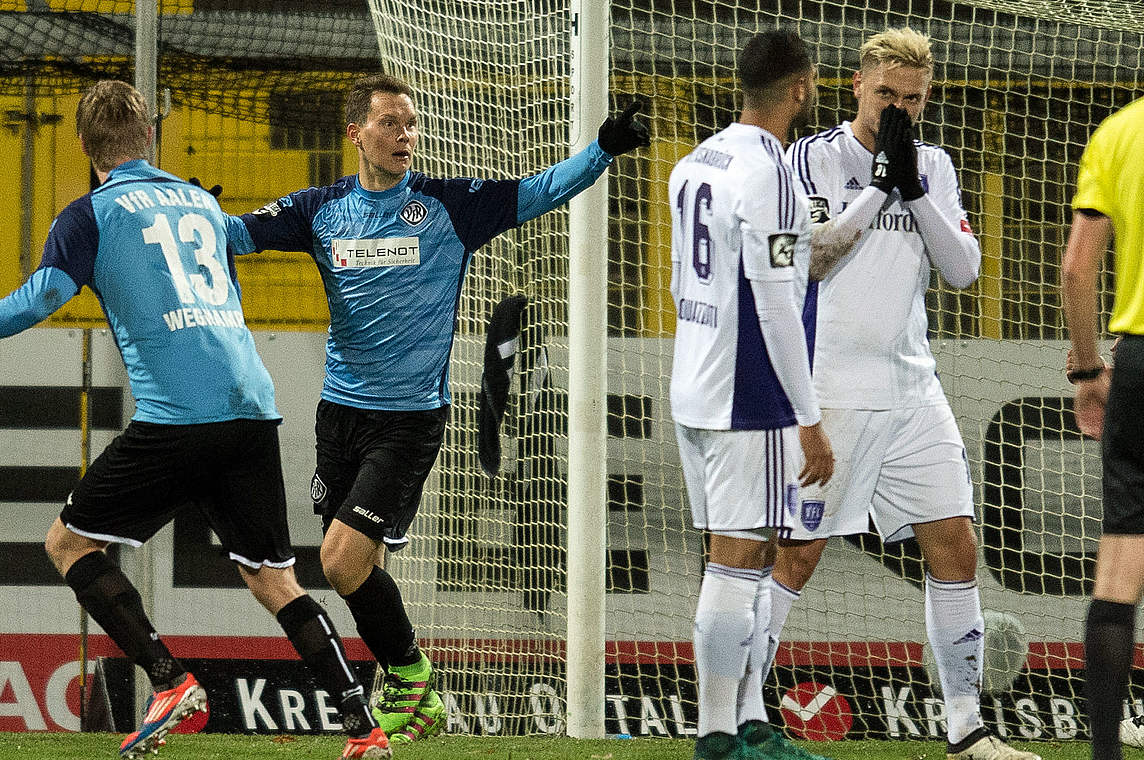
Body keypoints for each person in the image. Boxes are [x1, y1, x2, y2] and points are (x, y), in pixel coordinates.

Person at [0, 80, 391, 760]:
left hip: (178, 418)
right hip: (252, 406)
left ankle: (169, 681)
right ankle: (362, 727)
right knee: (274, 579)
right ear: (151, 137)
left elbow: (45, 295)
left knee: (69, 545)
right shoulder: (202, 203)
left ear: (82, 146)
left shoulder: (89, 214)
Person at [222, 73, 649, 743]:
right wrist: (186, 217)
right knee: (362, 570)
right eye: (390, 123)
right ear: (355, 133)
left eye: (411, 124)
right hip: (339, 417)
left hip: (409, 421)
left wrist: (602, 148)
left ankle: (414, 675)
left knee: (339, 561)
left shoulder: (447, 208)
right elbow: (234, 236)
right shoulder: (321, 209)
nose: (405, 135)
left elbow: (538, 191)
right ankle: (409, 698)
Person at [765, 28, 1038, 760]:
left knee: (955, 547)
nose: (898, 109)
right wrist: (881, 182)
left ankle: (966, 730)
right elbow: (809, 261)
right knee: (794, 557)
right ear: (856, 86)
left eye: (912, 99)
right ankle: (732, 722)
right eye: (886, 94)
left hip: (913, 387)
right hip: (831, 391)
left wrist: (912, 185)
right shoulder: (809, 157)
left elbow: (962, 271)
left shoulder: (937, 164)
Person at [668, 29, 835, 760]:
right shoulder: (770, 171)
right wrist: (809, 418)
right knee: (739, 561)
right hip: (748, 394)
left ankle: (747, 721)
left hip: (694, 381)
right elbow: (774, 299)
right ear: (799, 87)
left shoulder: (697, 159)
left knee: (738, 557)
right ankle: (714, 736)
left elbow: (682, 280)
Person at [1061, 94, 1144, 760]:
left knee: (1119, 570)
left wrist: (1087, 369)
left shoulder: (1119, 132)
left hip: (1140, 361)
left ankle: (1106, 757)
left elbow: (1076, 268)